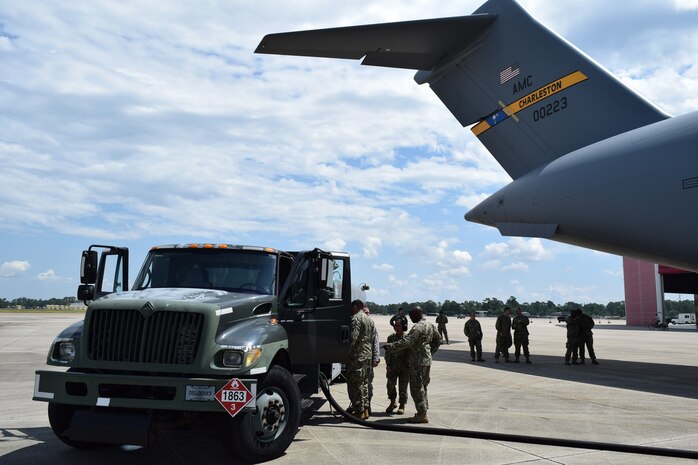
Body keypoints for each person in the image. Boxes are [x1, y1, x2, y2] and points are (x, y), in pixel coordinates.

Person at [384, 306, 440, 423]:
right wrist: (429, 352)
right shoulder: (430, 325)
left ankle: (422, 414)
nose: (410, 318)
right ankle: (423, 410)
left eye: (411, 315)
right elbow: (438, 339)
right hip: (426, 361)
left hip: (417, 362)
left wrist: (391, 347)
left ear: (417, 314)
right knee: (423, 387)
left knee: (416, 388)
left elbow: (407, 341)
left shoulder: (418, 327)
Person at [346, 299, 375, 419]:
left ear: (355, 306)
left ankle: (359, 411)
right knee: (364, 383)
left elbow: (353, 338)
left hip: (357, 356)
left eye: (351, 307)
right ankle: (365, 410)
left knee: (355, 383)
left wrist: (345, 354)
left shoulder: (356, 319)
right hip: (367, 355)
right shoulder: (369, 319)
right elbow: (372, 337)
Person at [384, 319, 409, 414]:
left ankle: (402, 405)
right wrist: (388, 364)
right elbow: (388, 352)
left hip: (404, 367)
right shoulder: (391, 338)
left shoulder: (407, 338)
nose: (396, 328)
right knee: (390, 385)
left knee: (403, 387)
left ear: (403, 327)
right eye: (395, 326)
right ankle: (392, 402)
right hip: (393, 366)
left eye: (398, 326)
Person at [363, 306, 380, 414]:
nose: (367, 315)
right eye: (365, 313)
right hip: (359, 359)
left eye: (368, 313)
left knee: (368, 384)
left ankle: (367, 406)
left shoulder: (371, 325)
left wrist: (376, 358)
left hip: (368, 360)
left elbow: (376, 342)